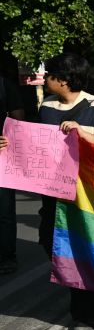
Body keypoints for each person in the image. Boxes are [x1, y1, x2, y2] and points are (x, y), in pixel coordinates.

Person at [38, 53, 94, 330]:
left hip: (87, 197)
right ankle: (88, 296)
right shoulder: (46, 106)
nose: (45, 79)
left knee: (81, 250)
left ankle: (87, 312)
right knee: (49, 241)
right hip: (52, 193)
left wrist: (85, 137)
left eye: (49, 75)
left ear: (63, 80)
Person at [0, 71, 25, 275]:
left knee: (4, 210)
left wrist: (8, 140)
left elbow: (18, 122)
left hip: (2, 157)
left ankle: (7, 257)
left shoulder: (5, 85)